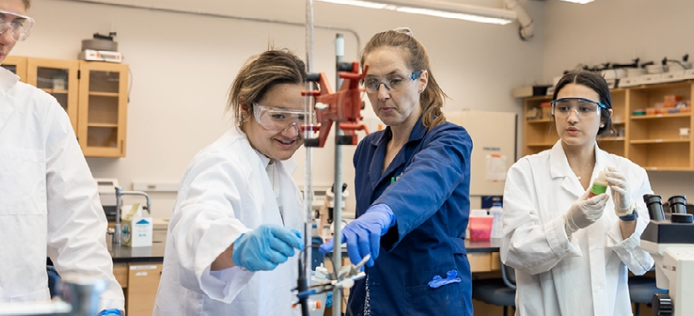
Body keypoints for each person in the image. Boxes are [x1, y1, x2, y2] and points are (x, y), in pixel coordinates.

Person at [0, 0, 124, 313]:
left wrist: (102, 305)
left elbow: (77, 226)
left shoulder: (39, 112)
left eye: (17, 23)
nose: (6, 37)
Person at [319, 28, 474, 315]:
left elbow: (426, 179)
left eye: (395, 80)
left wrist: (384, 212)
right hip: (373, 293)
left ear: (421, 80)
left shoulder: (449, 139)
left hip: (430, 298)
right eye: (372, 82)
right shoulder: (368, 148)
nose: (382, 94)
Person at [153, 49, 308, 316]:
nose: (292, 131)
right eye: (278, 116)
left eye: (303, 118)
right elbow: (198, 224)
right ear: (246, 108)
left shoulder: (276, 170)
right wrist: (238, 246)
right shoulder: (221, 162)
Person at [500, 70, 655, 316]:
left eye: (584, 108)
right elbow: (516, 252)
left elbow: (642, 262)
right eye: (563, 108)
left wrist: (627, 215)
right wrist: (567, 224)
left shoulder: (630, 174)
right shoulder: (526, 172)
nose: (572, 117)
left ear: (604, 117)